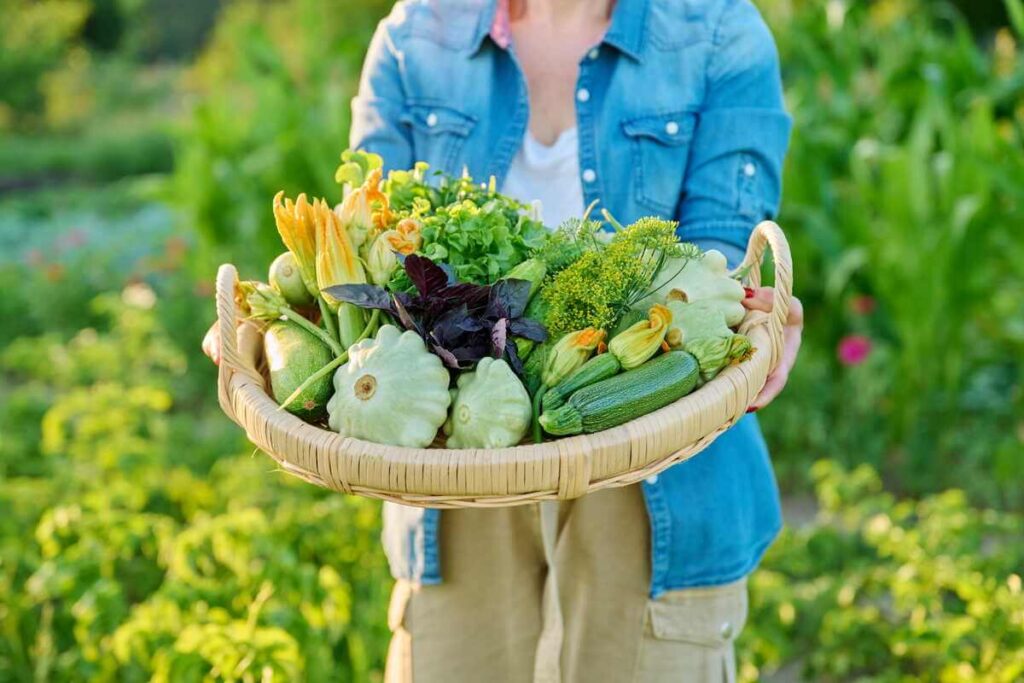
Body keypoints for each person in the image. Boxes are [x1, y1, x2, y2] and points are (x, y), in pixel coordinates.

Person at [206, 0, 803, 680]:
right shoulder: (416, 36)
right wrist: (272, 322)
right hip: (451, 454)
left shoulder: (719, 31)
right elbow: (364, 228)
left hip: (654, 456)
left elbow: (717, 266)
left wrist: (759, 312)